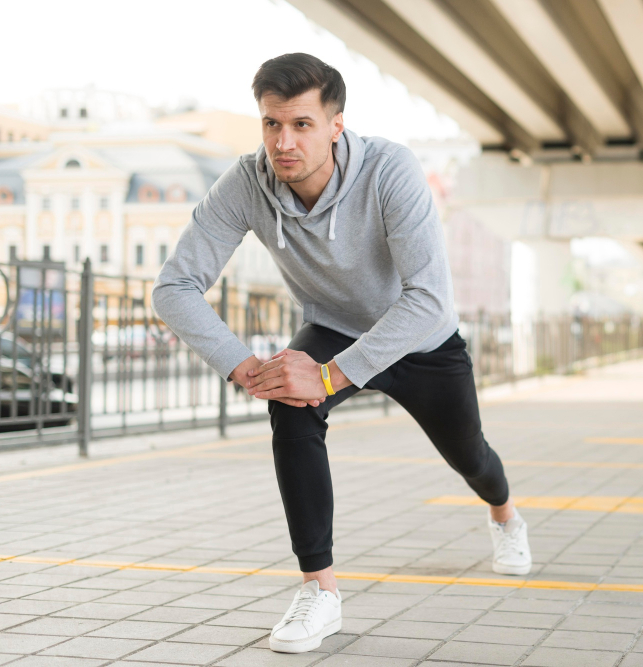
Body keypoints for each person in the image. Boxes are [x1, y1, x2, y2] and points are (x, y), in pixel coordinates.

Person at [152, 53, 531, 654]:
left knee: (472, 457)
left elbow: (428, 300)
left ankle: (505, 515)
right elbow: (173, 287)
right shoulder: (247, 183)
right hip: (333, 326)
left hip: (420, 338)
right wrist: (246, 367)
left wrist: (328, 376)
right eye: (271, 124)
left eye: (301, 124)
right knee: (289, 403)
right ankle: (319, 591)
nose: (283, 142)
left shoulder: (390, 170)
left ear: (336, 125)